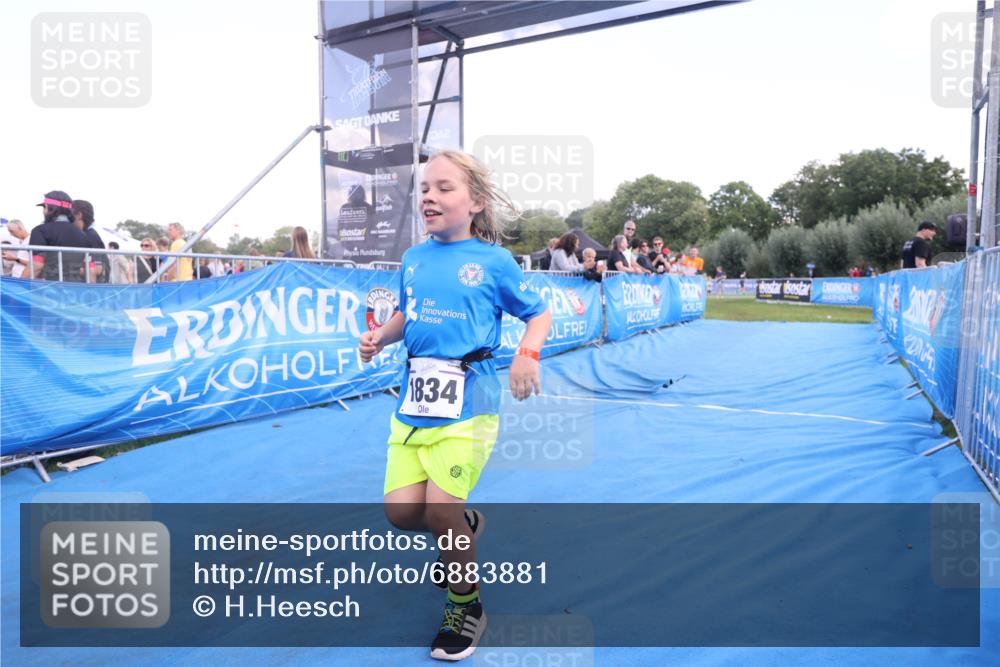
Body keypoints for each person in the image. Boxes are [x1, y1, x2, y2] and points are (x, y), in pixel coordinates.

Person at [358, 150, 551, 662]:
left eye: (444, 188)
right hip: (413, 403)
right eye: (425, 188)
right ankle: (462, 524)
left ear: (476, 202)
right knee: (401, 513)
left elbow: (538, 313)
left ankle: (466, 606)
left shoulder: (494, 261)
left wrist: (526, 356)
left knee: (440, 510)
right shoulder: (414, 259)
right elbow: (407, 310)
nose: (429, 197)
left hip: (471, 403)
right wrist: (382, 335)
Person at [28, 190, 90, 281]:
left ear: (48, 208)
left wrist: (17, 288)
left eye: (44, 208)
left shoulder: (40, 231)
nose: (43, 212)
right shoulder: (83, 235)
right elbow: (90, 269)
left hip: (49, 290)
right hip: (75, 290)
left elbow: (36, 265)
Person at [73, 200, 105, 283]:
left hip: (92, 291)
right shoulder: (86, 234)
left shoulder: (91, 235)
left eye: (70, 214)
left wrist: (72, 271)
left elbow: (97, 269)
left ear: (79, 215)